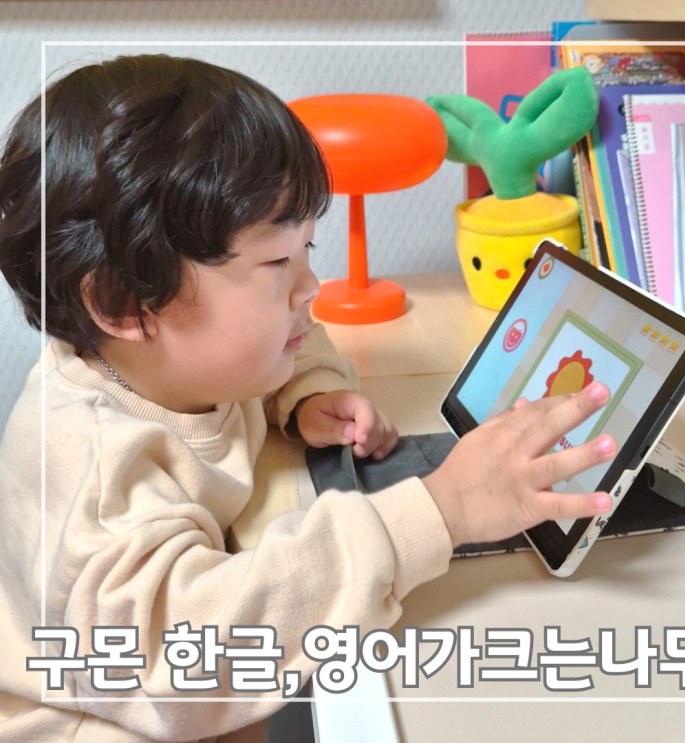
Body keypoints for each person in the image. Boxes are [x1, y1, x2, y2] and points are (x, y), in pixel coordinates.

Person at [0, 54, 616, 743]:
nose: (311, 287)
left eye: (308, 250)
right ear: (125, 302)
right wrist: (441, 510)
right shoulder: (91, 470)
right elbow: (188, 662)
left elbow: (291, 336)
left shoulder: (177, 362)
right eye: (276, 262)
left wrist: (304, 391)